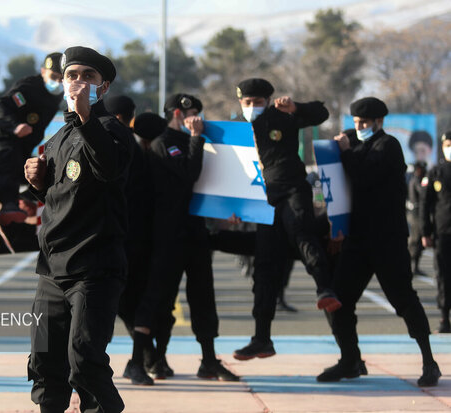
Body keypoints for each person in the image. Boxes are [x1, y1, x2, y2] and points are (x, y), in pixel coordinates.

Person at [24, 46, 130, 413]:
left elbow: (108, 170)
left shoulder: (113, 131)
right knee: (44, 363)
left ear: (104, 87)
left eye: (89, 76)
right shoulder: (57, 138)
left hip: (94, 267)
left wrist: (86, 119)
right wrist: (36, 182)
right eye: (72, 75)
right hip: (52, 270)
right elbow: (59, 196)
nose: (79, 82)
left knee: (84, 361)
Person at [319, 96, 441, 387]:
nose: (359, 128)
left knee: (403, 299)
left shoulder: (389, 146)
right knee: (337, 299)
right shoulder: (356, 143)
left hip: (388, 239)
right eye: (356, 123)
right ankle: (350, 359)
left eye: (364, 123)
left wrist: (346, 151)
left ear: (379, 122)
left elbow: (363, 176)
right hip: (358, 240)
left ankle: (429, 361)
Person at [231, 78, 340, 362]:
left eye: (258, 102)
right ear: (240, 103)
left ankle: (324, 286)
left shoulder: (284, 117)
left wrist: (296, 106)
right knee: (264, 269)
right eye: (247, 103)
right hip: (263, 201)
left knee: (301, 233)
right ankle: (261, 338)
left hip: (292, 190)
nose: (252, 107)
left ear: (268, 101)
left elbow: (321, 114)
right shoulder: (236, 129)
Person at [143, 93, 239, 382]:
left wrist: (228, 208)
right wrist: (197, 138)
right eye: (190, 114)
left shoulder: (193, 142)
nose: (195, 119)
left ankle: (209, 360)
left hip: (196, 231)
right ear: (175, 113)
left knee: (203, 297)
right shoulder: (164, 143)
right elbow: (189, 174)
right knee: (164, 298)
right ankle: (158, 359)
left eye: (198, 113)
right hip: (169, 233)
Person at [105, 97, 157, 386]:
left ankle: (139, 359)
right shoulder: (130, 149)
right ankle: (141, 357)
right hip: (126, 239)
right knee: (125, 303)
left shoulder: (130, 150)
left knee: (131, 302)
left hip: (127, 240)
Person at [0, 52, 64, 225]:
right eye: (53, 77)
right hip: (1, 140)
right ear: (43, 72)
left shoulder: (56, 96)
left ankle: (27, 199)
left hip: (24, 148)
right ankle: (8, 205)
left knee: (44, 166)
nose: (57, 83)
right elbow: (0, 106)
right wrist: (14, 126)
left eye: (61, 79)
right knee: (8, 155)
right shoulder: (29, 88)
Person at [421, 130, 451, 334]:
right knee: (443, 275)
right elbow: (426, 204)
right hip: (443, 232)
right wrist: (426, 232)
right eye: (448, 144)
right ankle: (444, 316)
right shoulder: (436, 172)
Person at [408, 161, 427, 275]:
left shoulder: (416, 179)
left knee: (419, 241)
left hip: (419, 213)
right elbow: (422, 192)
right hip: (415, 214)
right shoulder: (415, 180)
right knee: (415, 240)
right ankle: (412, 265)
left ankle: (416, 266)